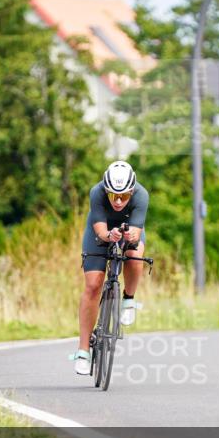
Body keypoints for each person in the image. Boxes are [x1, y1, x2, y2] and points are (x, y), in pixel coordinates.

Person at [70, 161, 149, 375]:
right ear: (106, 190)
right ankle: (83, 351)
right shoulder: (96, 192)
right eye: (113, 195)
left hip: (128, 231)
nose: (119, 201)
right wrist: (108, 236)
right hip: (99, 232)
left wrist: (130, 236)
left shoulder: (142, 195)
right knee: (93, 285)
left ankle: (129, 299)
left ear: (132, 191)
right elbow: (99, 229)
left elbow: (136, 230)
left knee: (134, 255)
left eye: (124, 196)